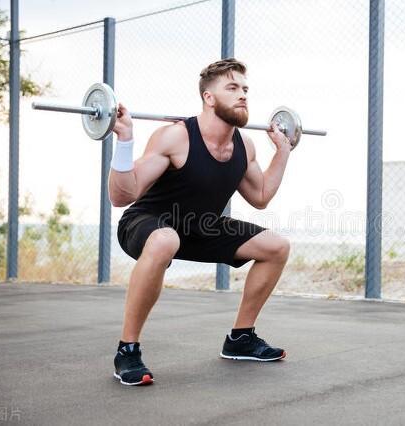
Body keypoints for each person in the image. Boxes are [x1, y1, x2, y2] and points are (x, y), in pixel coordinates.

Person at [109, 58, 292, 386]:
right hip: (148, 223)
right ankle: (127, 350)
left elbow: (261, 196)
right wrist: (125, 140)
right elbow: (122, 196)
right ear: (209, 98)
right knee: (166, 239)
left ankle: (241, 339)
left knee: (276, 247)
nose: (242, 95)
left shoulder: (244, 146)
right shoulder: (175, 137)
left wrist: (283, 151)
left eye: (245, 89)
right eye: (232, 88)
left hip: (201, 226)